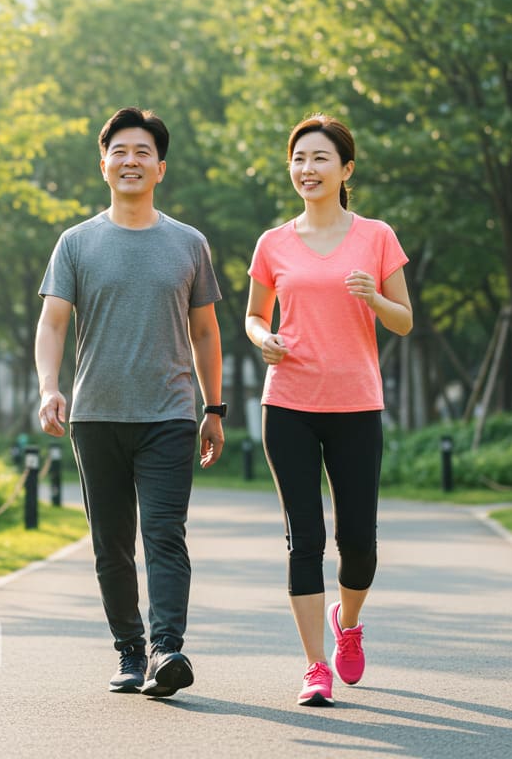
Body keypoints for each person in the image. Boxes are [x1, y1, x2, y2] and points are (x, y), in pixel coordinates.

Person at [35, 106, 225, 698]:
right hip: (95, 417)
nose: (131, 161)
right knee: (111, 543)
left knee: (164, 534)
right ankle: (128, 651)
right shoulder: (76, 243)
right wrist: (49, 386)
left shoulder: (188, 244)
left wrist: (213, 409)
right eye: (120, 151)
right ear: (104, 164)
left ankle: (168, 650)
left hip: (169, 415)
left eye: (143, 152)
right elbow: (53, 323)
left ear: (160, 168)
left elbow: (206, 333)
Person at [244, 114, 412, 707]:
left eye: (319, 159)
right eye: (298, 159)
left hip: (357, 404)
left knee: (359, 541)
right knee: (304, 538)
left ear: (346, 170)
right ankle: (316, 666)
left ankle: (350, 620)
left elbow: (405, 320)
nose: (307, 170)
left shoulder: (376, 235)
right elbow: (254, 315)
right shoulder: (274, 243)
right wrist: (263, 339)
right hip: (288, 402)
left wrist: (376, 297)